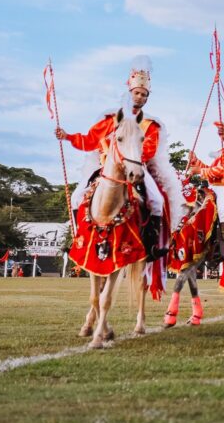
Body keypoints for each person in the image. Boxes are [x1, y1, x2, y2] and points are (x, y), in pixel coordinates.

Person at [57, 55, 185, 273]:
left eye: (144, 95)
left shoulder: (150, 124)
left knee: (155, 199)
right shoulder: (109, 119)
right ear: (130, 92)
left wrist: (131, 158)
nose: (141, 97)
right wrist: (68, 137)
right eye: (137, 93)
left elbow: (150, 149)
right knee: (78, 196)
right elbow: (90, 140)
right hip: (106, 169)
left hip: (135, 168)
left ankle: (151, 246)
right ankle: (80, 239)